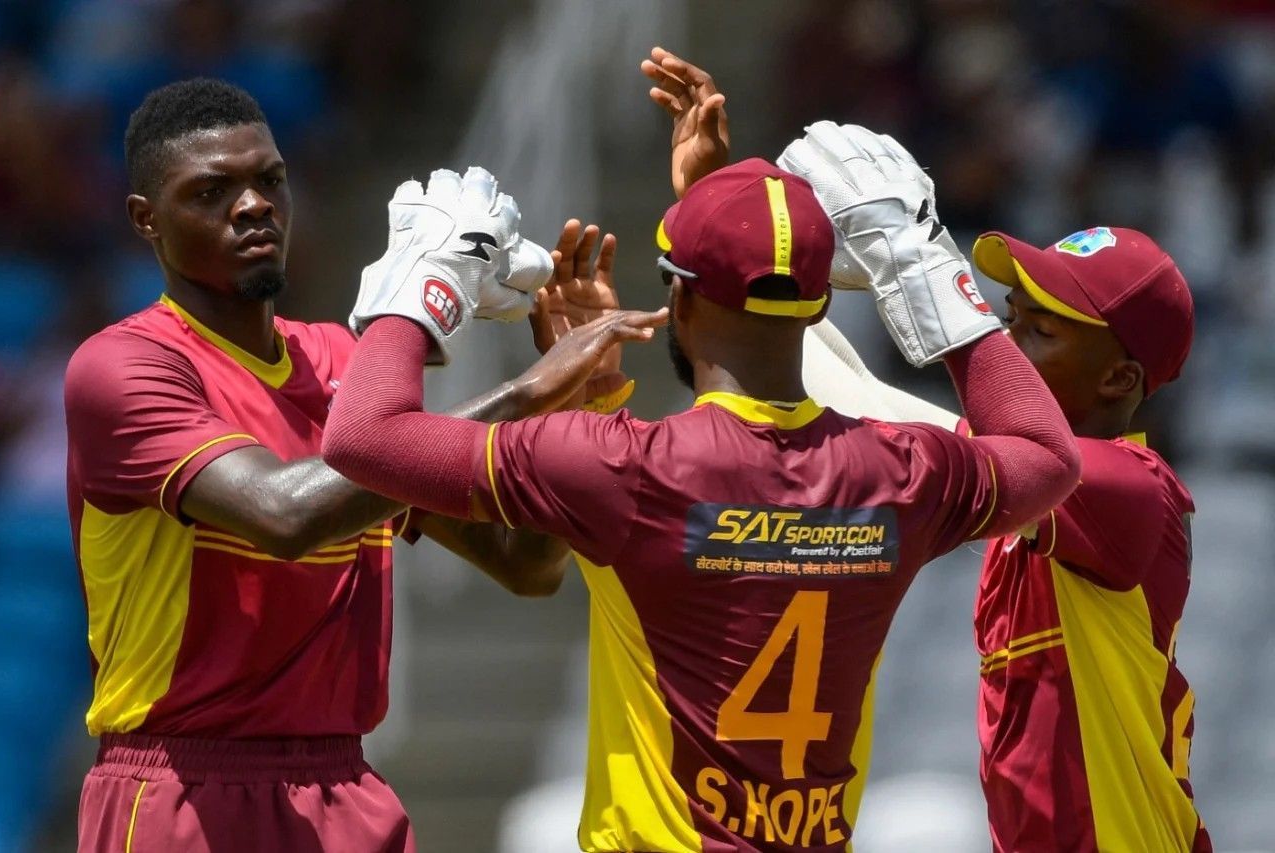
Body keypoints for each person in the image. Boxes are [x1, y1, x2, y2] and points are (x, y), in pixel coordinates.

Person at [321, 143, 1081, 849]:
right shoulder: (903, 471)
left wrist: (422, 284)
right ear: (819, 309)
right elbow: (1048, 456)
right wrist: (922, 266)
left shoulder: (623, 469)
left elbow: (364, 438)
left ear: (678, 301)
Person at [641, 48, 1209, 852]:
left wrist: (917, 259)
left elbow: (911, 423)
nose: (1009, 335)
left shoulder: (1132, 492)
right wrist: (721, 218)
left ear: (1120, 377)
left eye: (1040, 330)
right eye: (1012, 312)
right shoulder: (1036, 500)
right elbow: (841, 391)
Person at [64, 77, 616, 852]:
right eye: (212, 190)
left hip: (346, 792)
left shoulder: (343, 364)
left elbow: (526, 564)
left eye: (269, 180)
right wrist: (520, 395)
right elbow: (285, 515)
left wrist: (570, 399)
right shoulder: (122, 367)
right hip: (181, 791)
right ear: (145, 220)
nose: (254, 204)